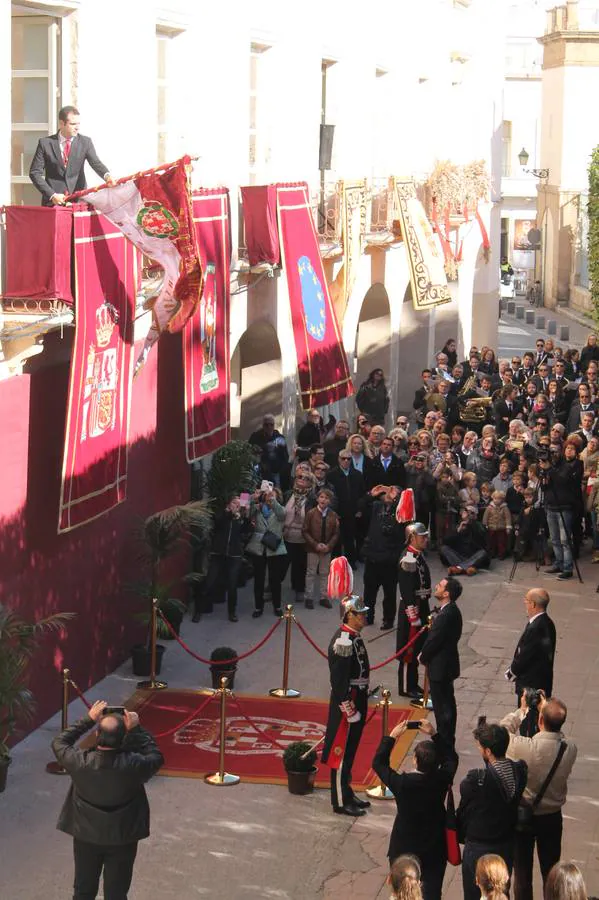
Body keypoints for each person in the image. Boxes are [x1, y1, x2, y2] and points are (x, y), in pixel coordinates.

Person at [51, 700, 163, 900]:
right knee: (117, 893)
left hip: (86, 835)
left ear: (97, 735)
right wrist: (137, 730)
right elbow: (156, 756)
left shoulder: (79, 762)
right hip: (123, 835)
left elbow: (59, 742)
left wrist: (88, 719)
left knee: (83, 891)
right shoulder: (134, 765)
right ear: (123, 738)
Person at [501, 694, 578, 900]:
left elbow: (500, 733)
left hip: (523, 816)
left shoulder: (523, 747)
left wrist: (522, 710)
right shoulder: (569, 749)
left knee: (523, 874)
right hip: (552, 817)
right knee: (552, 872)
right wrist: (547, 707)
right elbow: (559, 732)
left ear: (540, 720)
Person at [373, 720, 457, 900]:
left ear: (415, 760)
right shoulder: (442, 779)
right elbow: (451, 758)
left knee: (403, 893)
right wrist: (434, 733)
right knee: (432, 893)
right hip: (434, 846)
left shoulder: (403, 783)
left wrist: (392, 737)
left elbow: (379, 764)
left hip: (404, 847)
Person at [457, 721, 528, 900]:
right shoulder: (519, 771)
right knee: (500, 890)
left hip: (479, 846)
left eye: (480, 747)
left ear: (488, 751)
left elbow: (465, 797)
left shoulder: (477, 779)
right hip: (505, 843)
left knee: (475, 893)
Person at [321, 594, 371, 816]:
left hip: (357, 696)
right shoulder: (343, 641)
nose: (364, 616)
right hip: (347, 701)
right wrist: (347, 707)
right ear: (350, 615)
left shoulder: (353, 636)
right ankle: (340, 801)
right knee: (341, 752)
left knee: (351, 750)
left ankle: (347, 791)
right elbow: (338, 680)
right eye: (360, 613)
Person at [29, 105, 114, 206]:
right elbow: (34, 173)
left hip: (78, 201)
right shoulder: (45, 143)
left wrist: (107, 176)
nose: (77, 127)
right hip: (53, 203)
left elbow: (96, 163)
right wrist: (52, 195)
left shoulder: (85, 142)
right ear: (61, 123)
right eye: (73, 124)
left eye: (78, 124)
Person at [419, 577, 463, 755]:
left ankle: (444, 744)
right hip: (445, 665)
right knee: (445, 706)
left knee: (443, 709)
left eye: (440, 586)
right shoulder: (451, 611)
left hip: (441, 667)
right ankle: (446, 740)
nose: (436, 586)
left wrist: (423, 655)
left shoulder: (446, 614)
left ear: (446, 594)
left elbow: (435, 640)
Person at [194, 495, 250, 623]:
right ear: (228, 504)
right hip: (218, 553)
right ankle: (198, 611)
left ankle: (232, 612)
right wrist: (230, 513)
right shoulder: (222, 514)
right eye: (234, 502)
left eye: (238, 503)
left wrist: (245, 515)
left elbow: (246, 531)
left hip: (234, 555)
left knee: (232, 584)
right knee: (209, 582)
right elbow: (218, 522)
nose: (237, 505)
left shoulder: (239, 518)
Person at [361, 485, 403, 629]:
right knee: (369, 592)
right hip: (372, 556)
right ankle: (368, 616)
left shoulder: (400, 512)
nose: (389, 493)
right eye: (388, 491)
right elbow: (361, 506)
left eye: (394, 492)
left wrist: (396, 499)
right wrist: (371, 494)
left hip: (389, 560)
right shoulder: (376, 506)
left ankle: (388, 619)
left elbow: (406, 519)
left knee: (389, 593)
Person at [397, 522, 431, 698]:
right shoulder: (409, 558)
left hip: (422, 604)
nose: (426, 539)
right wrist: (412, 615)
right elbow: (406, 589)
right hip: (413, 608)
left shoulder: (418, 555)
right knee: (408, 650)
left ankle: (413, 683)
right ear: (412, 538)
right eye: (422, 536)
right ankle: (405, 686)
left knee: (417, 648)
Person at [505, 588, 556, 703]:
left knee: (527, 717)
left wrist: (512, 672)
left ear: (533, 604)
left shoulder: (535, 628)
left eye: (526, 600)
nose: (524, 602)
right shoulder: (548, 622)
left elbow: (524, 654)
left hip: (531, 685)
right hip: (542, 681)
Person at [246, 486, 288, 617]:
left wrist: (273, 501)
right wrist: (253, 500)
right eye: (268, 495)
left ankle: (277, 606)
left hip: (273, 547)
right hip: (259, 547)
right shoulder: (258, 508)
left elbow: (282, 515)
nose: (269, 497)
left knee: (274, 579)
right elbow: (246, 513)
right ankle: (258, 607)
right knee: (259, 579)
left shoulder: (279, 509)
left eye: (273, 495)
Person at [302, 488, 340, 609]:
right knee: (311, 572)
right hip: (313, 548)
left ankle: (324, 597)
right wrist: (315, 544)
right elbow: (305, 531)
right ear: (317, 499)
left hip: (326, 549)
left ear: (330, 501)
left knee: (325, 573)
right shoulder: (311, 513)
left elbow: (336, 533)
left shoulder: (333, 515)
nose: (323, 500)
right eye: (322, 497)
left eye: (326, 498)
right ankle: (309, 597)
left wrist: (328, 546)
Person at [327, 449, 365, 566]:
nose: (346, 461)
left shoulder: (357, 474)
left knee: (350, 538)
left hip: (352, 512)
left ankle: (350, 562)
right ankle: (336, 563)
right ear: (339, 459)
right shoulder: (332, 474)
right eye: (343, 458)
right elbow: (330, 495)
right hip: (337, 511)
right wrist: (333, 511)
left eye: (349, 459)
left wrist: (359, 509)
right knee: (336, 539)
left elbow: (362, 493)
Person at [248, 414, 290, 489]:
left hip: (275, 471)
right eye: (266, 425)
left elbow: (285, 456)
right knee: (257, 490)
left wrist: (281, 469)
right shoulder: (255, 437)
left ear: (274, 425)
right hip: (259, 471)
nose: (269, 427)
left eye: (271, 425)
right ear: (263, 425)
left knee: (275, 492)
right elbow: (250, 452)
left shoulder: (280, 438)